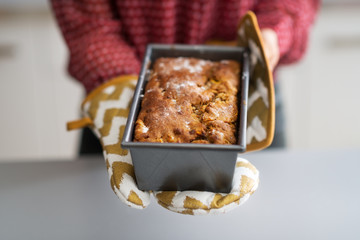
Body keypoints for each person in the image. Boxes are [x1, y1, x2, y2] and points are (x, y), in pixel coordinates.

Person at [50, 0, 319, 153]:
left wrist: (272, 33)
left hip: (254, 98)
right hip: (118, 98)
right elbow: (88, 24)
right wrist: (128, 96)